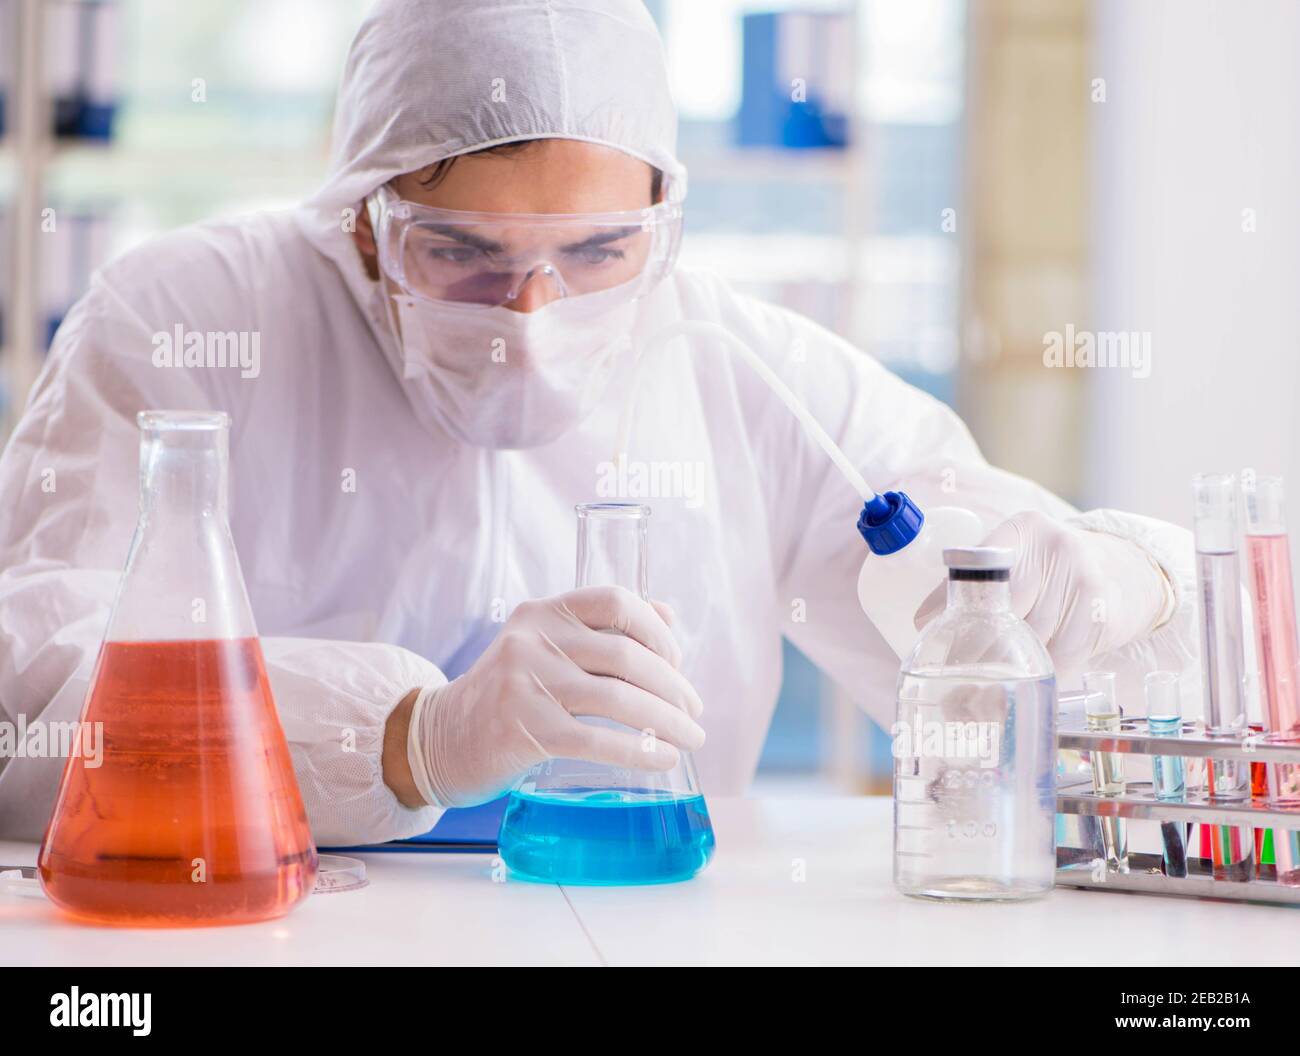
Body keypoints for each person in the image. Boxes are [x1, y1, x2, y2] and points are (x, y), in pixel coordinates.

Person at [0, 0, 1196, 844]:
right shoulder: (187, 323)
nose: (532, 311)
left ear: (663, 222)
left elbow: (986, 649)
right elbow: (30, 720)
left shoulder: (748, 372)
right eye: (460, 251)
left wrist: (1119, 576)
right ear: (363, 219)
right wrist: (411, 737)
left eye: (598, 252)